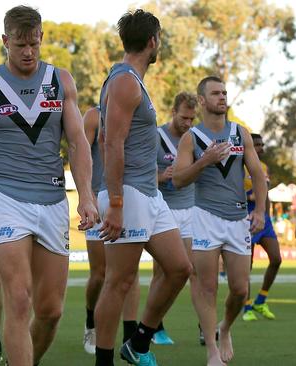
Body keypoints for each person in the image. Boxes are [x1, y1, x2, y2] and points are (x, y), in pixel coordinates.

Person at [0, 6, 98, 366]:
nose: (27, 51)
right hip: (4, 199)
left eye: (33, 43)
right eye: (19, 44)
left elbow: (77, 143)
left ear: (42, 38)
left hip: (51, 199)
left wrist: (87, 197)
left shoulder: (62, 81)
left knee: (50, 311)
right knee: (18, 298)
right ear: (5, 42)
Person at [94, 10, 192, 366]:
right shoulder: (124, 82)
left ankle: (139, 342)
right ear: (153, 42)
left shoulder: (133, 80)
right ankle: (103, 360)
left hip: (149, 193)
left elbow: (108, 135)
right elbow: (111, 144)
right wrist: (116, 202)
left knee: (180, 267)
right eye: (159, 39)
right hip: (129, 194)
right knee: (119, 282)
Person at [173, 76, 266, 366]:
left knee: (240, 289)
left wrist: (260, 210)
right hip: (205, 218)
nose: (222, 97)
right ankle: (212, 350)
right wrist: (205, 160)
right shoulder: (191, 138)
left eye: (224, 92)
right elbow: (177, 180)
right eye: (215, 93)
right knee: (207, 286)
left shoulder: (241, 133)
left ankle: (225, 327)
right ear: (202, 100)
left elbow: (258, 176)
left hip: (238, 218)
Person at [82, 106, 140, 355]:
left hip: (129, 199)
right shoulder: (94, 116)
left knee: (130, 271)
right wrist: (87, 194)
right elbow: (81, 153)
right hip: (99, 199)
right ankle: (90, 322)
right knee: (100, 273)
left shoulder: (136, 115)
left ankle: (130, 335)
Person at [152, 92, 199, 345]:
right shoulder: (157, 136)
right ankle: (155, 327)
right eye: (184, 118)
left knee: (194, 271)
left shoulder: (196, 138)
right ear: (173, 112)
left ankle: (205, 326)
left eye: (192, 118)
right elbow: (140, 171)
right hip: (163, 210)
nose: (188, 123)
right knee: (162, 273)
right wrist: (161, 176)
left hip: (190, 209)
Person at [242, 133, 281, 322]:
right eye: (257, 144)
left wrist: (268, 214)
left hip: (263, 217)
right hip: (245, 216)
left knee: (276, 259)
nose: (261, 148)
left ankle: (261, 299)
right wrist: (248, 197)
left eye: (262, 144)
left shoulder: (264, 167)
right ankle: (247, 306)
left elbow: (264, 192)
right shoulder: (239, 166)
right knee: (246, 266)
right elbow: (231, 191)